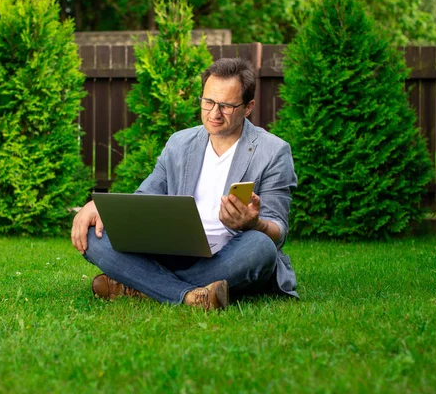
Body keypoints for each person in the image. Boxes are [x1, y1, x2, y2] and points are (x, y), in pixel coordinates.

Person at [71, 57, 298, 310]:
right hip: (172, 253)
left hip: (230, 255)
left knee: (261, 247)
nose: (214, 114)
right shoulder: (179, 143)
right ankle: (191, 294)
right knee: (94, 235)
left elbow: (279, 231)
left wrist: (254, 223)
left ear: (248, 107)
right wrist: (98, 207)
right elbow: (144, 197)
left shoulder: (274, 151)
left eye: (226, 106)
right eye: (208, 102)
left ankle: (142, 285)